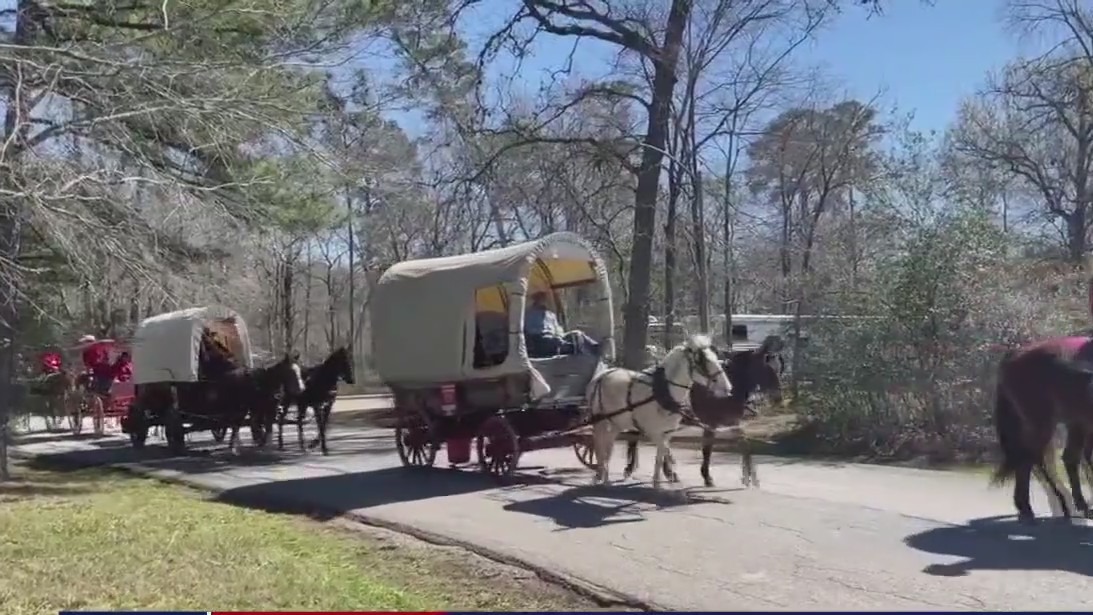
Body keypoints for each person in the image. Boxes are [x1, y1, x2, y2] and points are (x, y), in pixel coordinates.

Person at [523, 291, 599, 357]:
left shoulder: (551, 315)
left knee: (577, 334)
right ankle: (570, 348)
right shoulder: (530, 314)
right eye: (540, 299)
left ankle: (596, 347)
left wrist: (559, 335)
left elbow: (558, 329)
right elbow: (530, 330)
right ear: (536, 300)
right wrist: (545, 334)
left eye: (544, 299)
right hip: (540, 340)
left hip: (555, 338)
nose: (543, 301)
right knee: (553, 341)